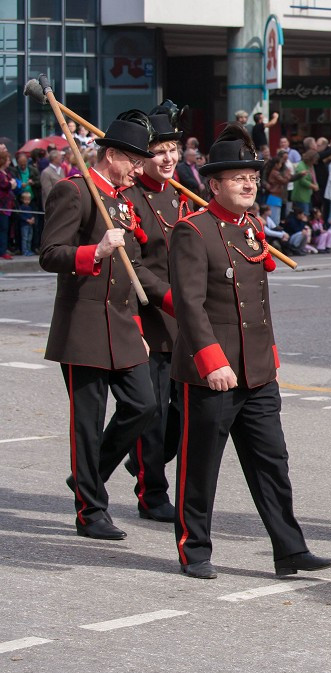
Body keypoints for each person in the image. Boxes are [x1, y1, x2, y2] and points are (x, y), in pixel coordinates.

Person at [168, 124, 331, 579]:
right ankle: (194, 549)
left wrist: (268, 356)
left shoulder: (251, 229)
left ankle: (290, 549)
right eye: (237, 177)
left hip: (257, 370)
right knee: (201, 466)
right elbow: (189, 304)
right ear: (214, 184)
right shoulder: (192, 231)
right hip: (213, 372)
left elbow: (255, 306)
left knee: (272, 462)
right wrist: (211, 359)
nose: (248, 184)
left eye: (253, 178)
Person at [39, 112, 170, 540]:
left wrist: (136, 326)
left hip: (122, 326)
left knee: (143, 405)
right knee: (87, 423)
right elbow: (51, 254)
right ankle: (91, 512)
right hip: (84, 325)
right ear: (111, 155)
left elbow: (128, 278)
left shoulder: (122, 202)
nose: (138, 169)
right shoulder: (75, 192)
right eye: (133, 161)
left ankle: (88, 476)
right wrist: (93, 251)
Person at [118, 103, 188, 522]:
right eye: (159, 151)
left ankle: (142, 460)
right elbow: (134, 265)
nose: (168, 159)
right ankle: (151, 491)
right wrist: (168, 299)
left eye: (173, 150)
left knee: (179, 417)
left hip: (185, 322)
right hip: (151, 318)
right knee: (154, 412)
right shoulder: (130, 200)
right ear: (143, 155)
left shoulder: (183, 195)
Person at [14, 189, 35, 256]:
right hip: (24, 225)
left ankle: (28, 250)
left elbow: (32, 214)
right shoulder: (21, 207)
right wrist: (27, 220)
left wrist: (32, 218)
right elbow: (20, 216)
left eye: (28, 199)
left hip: (30, 225)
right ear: (22, 200)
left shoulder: (30, 207)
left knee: (29, 238)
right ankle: (24, 251)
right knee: (24, 238)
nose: (27, 201)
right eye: (25, 199)